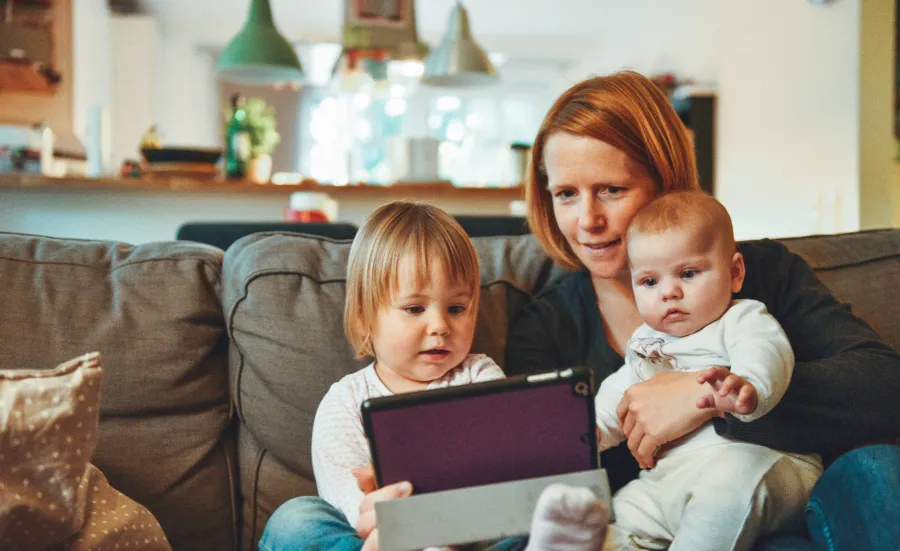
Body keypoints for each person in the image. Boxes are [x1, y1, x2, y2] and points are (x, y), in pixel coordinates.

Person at [504, 70, 900, 551]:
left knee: (879, 468)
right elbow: (540, 472)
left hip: (791, 512)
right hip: (645, 528)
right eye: (566, 193)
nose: (588, 220)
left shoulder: (760, 273)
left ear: (663, 183)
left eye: (611, 189)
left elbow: (884, 387)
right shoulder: (546, 325)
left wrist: (703, 397)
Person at [260, 200, 608, 551]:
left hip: (472, 537)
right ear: (365, 316)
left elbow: (503, 474)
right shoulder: (345, 400)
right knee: (296, 519)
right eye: (414, 309)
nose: (440, 326)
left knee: (543, 514)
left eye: (456, 308)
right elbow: (347, 503)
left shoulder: (480, 376)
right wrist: (398, 524)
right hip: (381, 540)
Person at [593, 190, 822, 550]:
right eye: (650, 281)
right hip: (670, 479)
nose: (669, 292)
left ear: (734, 273)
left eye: (687, 273)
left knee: (724, 493)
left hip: (761, 462)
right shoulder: (645, 342)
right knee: (616, 517)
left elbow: (767, 350)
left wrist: (749, 385)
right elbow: (620, 392)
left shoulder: (741, 318)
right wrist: (591, 431)